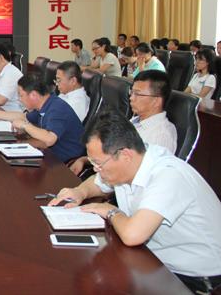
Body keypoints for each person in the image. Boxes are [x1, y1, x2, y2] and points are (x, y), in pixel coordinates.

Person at [49, 109, 221, 294]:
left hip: (196, 279)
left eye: (99, 164)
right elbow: (98, 183)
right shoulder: (131, 164)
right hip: (155, 260)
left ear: (125, 156)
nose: (97, 170)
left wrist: (110, 211)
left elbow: (133, 235)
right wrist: (80, 191)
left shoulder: (168, 175)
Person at [69, 70, 177, 174]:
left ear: (156, 101)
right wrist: (84, 160)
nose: (131, 98)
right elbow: (111, 154)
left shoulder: (160, 135)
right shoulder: (134, 121)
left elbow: (141, 177)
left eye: (138, 94)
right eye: (131, 92)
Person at [0, 73, 85, 163]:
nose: (19, 99)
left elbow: (49, 139)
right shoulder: (45, 104)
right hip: (49, 154)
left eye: (21, 95)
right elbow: (24, 116)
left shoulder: (57, 109)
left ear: (34, 95)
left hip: (65, 163)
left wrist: (24, 126)